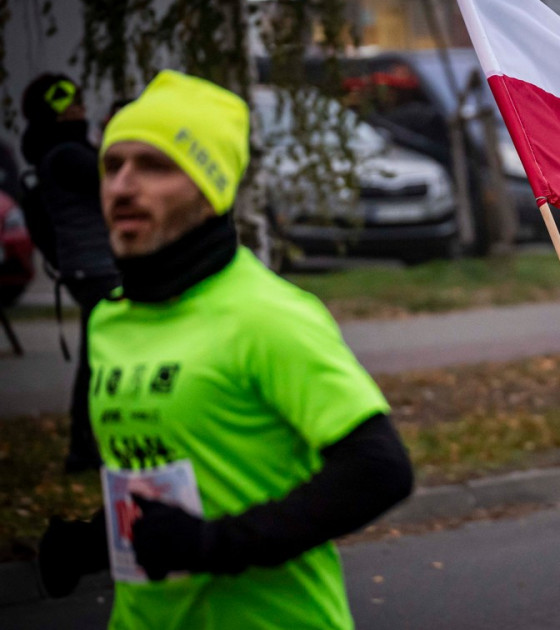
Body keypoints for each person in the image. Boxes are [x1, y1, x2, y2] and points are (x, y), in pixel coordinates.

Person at [35, 70, 414, 629]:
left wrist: (213, 546)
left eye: (155, 166)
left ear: (210, 188)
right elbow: (173, 480)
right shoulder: (111, 319)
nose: (122, 186)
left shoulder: (267, 315)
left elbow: (379, 470)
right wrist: (96, 541)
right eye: (112, 165)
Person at [20, 73, 121, 472]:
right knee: (101, 358)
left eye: (78, 99)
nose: (77, 107)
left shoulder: (66, 151)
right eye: (66, 102)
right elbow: (114, 179)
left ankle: (86, 446)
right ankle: (84, 448)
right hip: (96, 267)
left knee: (97, 356)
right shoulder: (66, 155)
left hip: (91, 266)